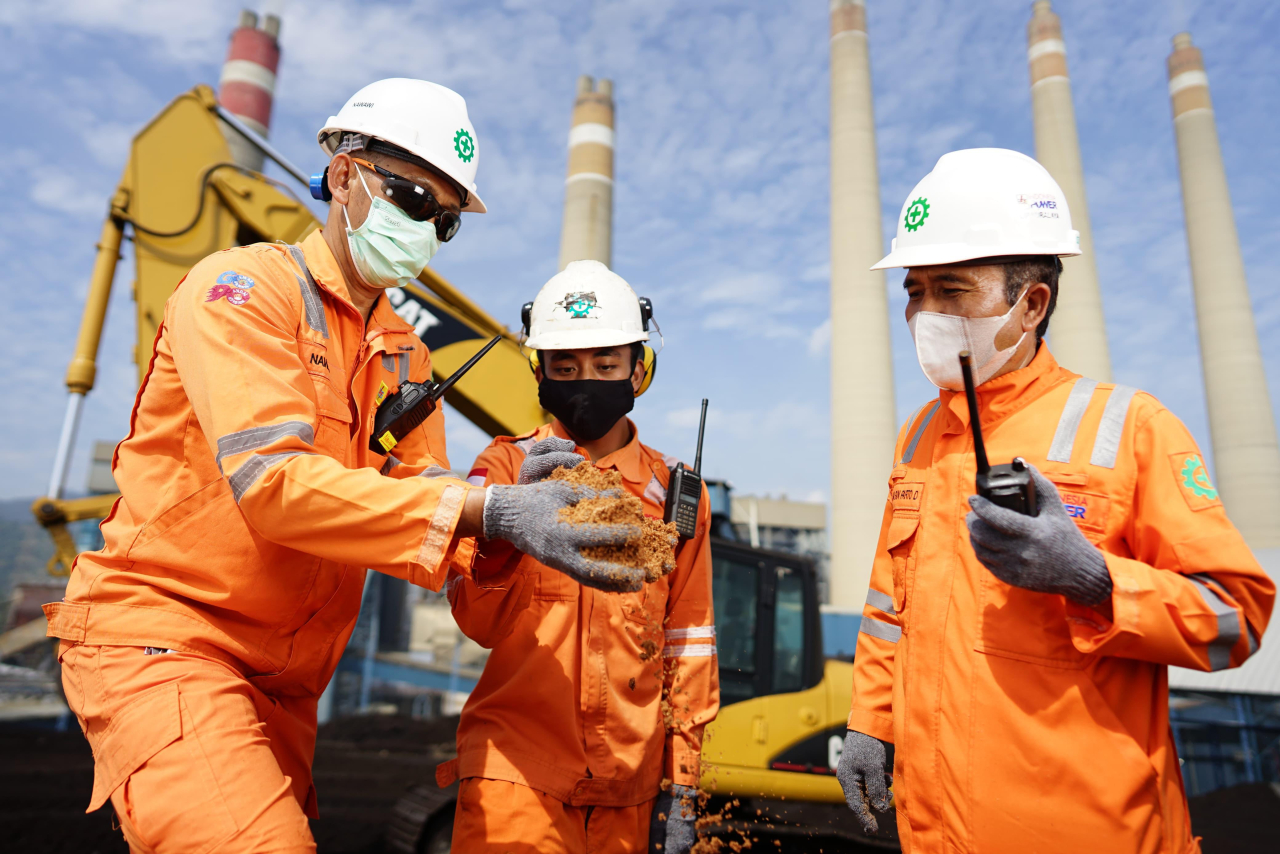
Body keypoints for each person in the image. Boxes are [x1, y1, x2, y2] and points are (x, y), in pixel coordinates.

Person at [43, 79, 642, 854]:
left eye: (445, 219)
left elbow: (426, 504)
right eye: (412, 199)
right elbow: (273, 485)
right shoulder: (244, 292)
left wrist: (499, 508)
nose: (425, 227)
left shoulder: (405, 354)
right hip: (170, 637)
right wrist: (487, 509)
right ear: (341, 175)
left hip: (285, 682)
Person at [835, 148, 1274, 853]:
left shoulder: (1129, 428)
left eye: (952, 290)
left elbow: (1237, 617)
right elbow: (891, 607)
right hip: (936, 831)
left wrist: (1096, 580)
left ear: (1031, 302)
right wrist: (869, 722)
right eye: (914, 291)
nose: (923, 313)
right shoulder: (919, 433)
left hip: (1093, 833)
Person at [438, 261, 719, 854]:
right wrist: (508, 521)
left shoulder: (677, 494)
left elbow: (688, 639)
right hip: (515, 774)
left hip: (630, 787)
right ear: (538, 370)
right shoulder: (506, 467)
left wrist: (683, 785)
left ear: (638, 369)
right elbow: (476, 621)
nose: (584, 380)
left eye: (605, 365)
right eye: (564, 367)